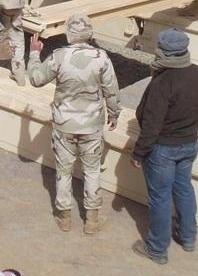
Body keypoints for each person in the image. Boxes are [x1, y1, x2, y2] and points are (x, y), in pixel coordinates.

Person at [27, 14, 121, 235]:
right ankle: (92, 220)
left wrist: (34, 53)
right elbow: (111, 90)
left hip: (64, 125)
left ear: (68, 33)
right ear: (89, 33)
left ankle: (64, 217)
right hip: (92, 126)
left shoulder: (59, 56)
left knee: (64, 172)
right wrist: (114, 114)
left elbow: (36, 79)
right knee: (92, 171)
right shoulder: (101, 57)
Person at [130, 28, 198, 265]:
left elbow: (151, 123)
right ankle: (188, 237)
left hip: (163, 149)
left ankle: (156, 249)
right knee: (184, 189)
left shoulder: (163, 82)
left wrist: (139, 153)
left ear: (162, 51)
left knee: (160, 198)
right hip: (189, 143)